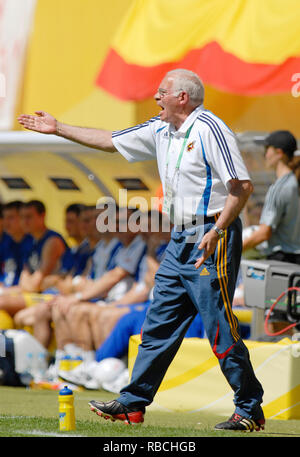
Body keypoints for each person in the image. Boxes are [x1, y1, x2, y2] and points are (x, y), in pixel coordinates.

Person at [18, 68, 264, 432]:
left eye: (161, 92)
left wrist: (218, 229)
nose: (155, 98)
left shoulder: (210, 128)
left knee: (218, 327)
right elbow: (109, 140)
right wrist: (59, 128)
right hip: (178, 238)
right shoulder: (161, 128)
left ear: (182, 97)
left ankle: (249, 408)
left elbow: (240, 186)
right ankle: (132, 403)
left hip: (211, 234)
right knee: (158, 322)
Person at [0, 200, 68, 316]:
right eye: (22, 217)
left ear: (42, 216)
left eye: (29, 217)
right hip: (34, 294)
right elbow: (25, 281)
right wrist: (30, 285)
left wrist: (30, 285)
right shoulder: (32, 242)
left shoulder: (52, 241)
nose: (24, 222)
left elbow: (35, 284)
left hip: (53, 295)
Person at [243, 130, 300, 263]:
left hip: (281, 260)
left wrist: (236, 249)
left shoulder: (281, 187)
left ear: (279, 153)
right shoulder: (295, 183)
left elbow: (264, 233)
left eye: (267, 149)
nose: (265, 154)